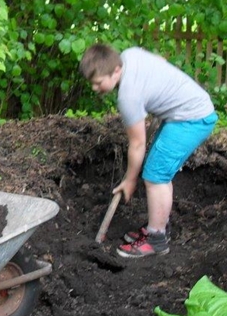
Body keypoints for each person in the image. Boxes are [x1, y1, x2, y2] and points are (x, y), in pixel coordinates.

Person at [79, 43, 218, 259]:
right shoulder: (129, 55)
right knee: (156, 169)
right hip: (184, 111)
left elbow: (137, 144)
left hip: (192, 118)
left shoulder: (128, 97)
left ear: (116, 70)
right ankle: (158, 225)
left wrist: (130, 180)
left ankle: (157, 239)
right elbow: (160, 61)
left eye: (98, 83)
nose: (95, 89)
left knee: (155, 175)